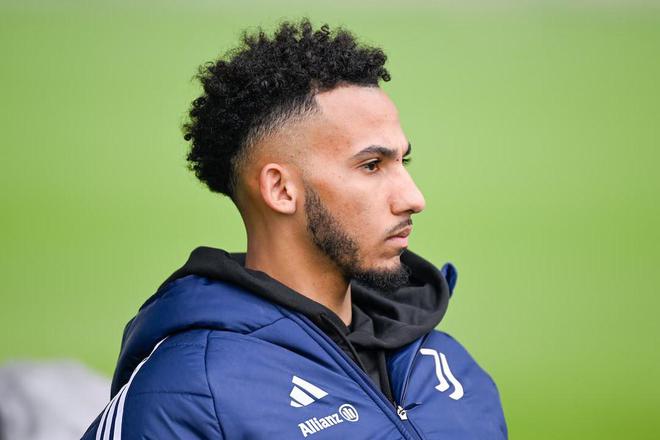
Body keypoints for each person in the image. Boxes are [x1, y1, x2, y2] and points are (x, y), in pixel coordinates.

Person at [82, 19, 507, 439]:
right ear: (281, 190)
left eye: (403, 161)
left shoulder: (451, 369)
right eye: (371, 165)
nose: (413, 197)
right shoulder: (187, 393)